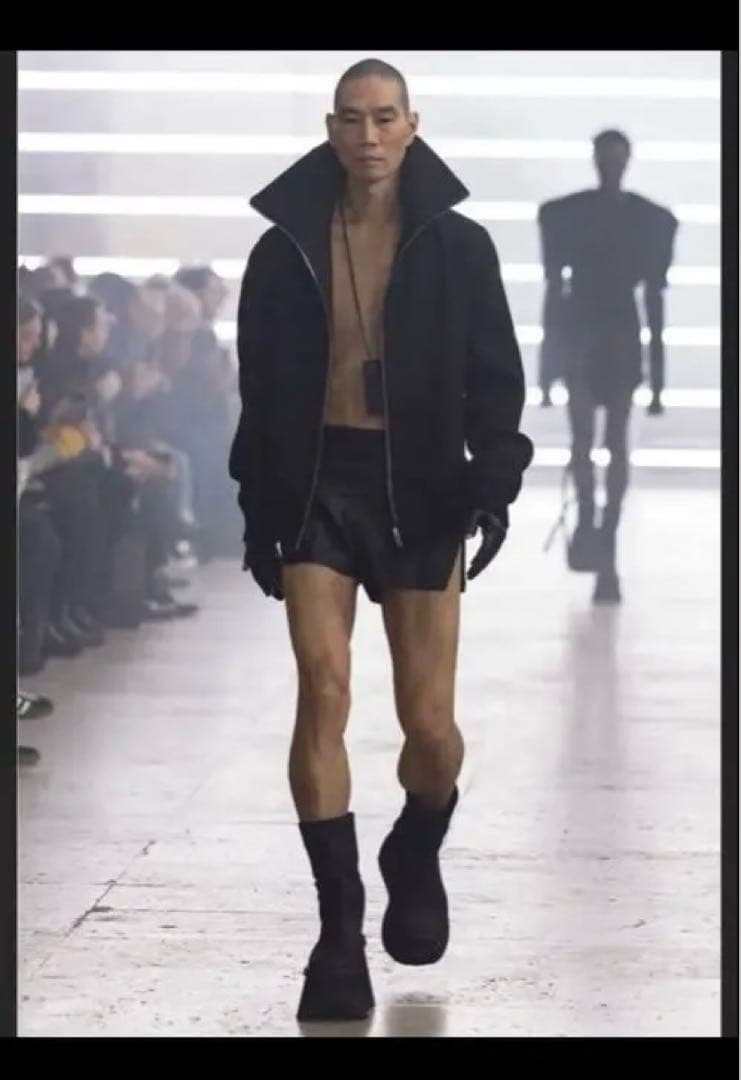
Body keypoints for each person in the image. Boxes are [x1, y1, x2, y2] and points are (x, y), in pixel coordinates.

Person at [229, 58, 533, 1022]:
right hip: (317, 483)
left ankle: (416, 841)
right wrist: (257, 506)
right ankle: (338, 929)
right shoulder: (283, 249)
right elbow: (259, 387)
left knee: (429, 728)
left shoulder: (458, 246)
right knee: (321, 690)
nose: (368, 135)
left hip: (423, 488)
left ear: (411, 125)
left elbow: (495, 375)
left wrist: (492, 486)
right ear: (330, 127)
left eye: (385, 117)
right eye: (352, 118)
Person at [538, 129, 678, 603]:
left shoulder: (580, 216)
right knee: (593, 443)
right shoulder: (643, 220)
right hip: (596, 336)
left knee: (605, 443)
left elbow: (650, 300)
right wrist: (547, 367)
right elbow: (557, 292)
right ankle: (597, 540)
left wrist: (658, 380)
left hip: (608, 337)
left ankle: (603, 544)